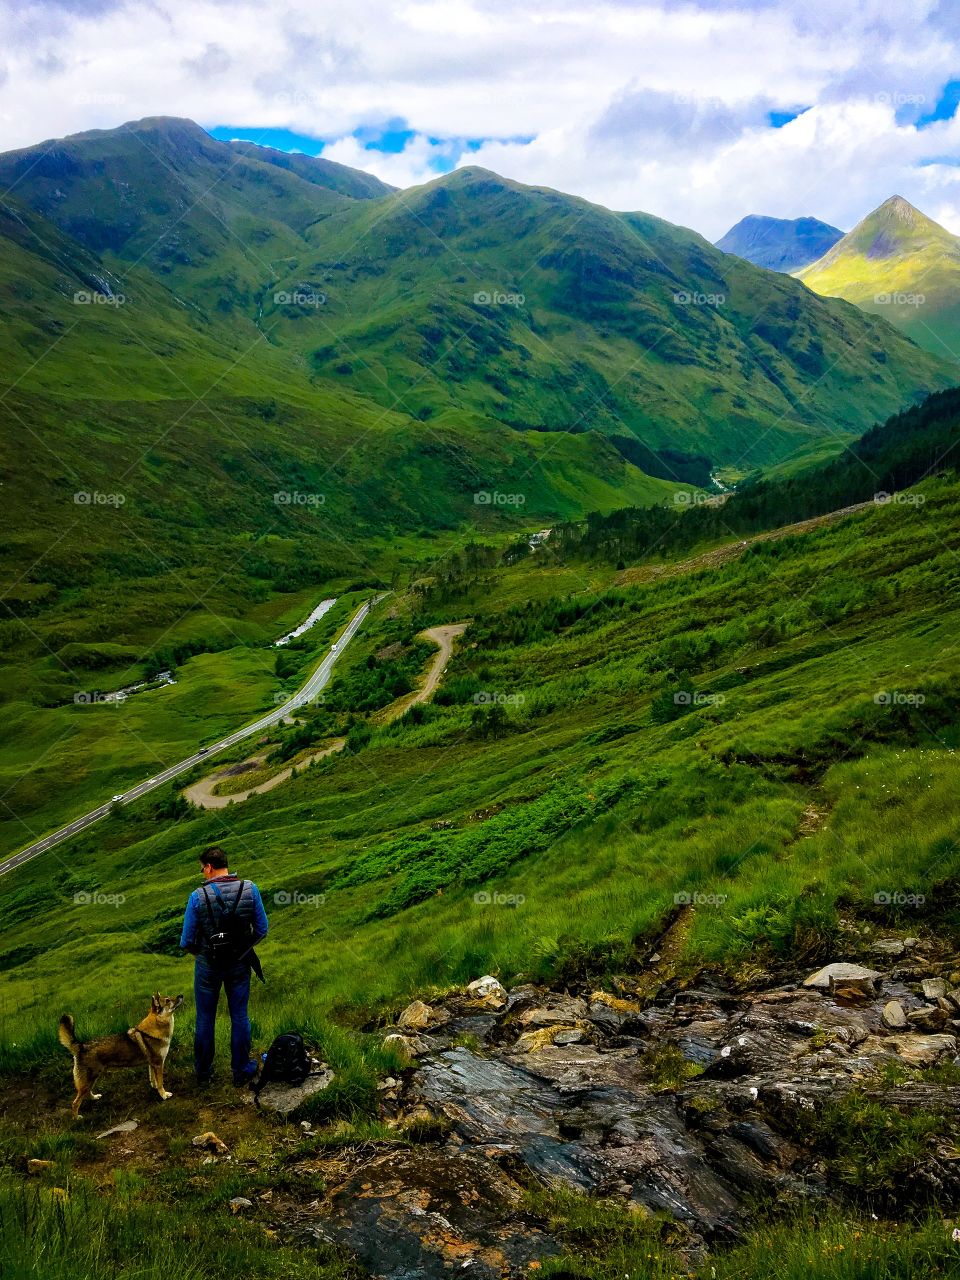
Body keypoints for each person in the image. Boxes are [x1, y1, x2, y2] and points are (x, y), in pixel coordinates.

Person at [179, 845, 268, 1086]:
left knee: (205, 1018)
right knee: (239, 1015)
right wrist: (243, 948)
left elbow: (186, 940)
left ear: (209, 867)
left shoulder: (197, 896)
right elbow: (262, 929)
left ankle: (204, 1074)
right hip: (239, 963)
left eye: (202, 869)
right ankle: (240, 1070)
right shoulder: (250, 889)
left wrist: (204, 954)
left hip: (208, 965)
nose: (202, 874)